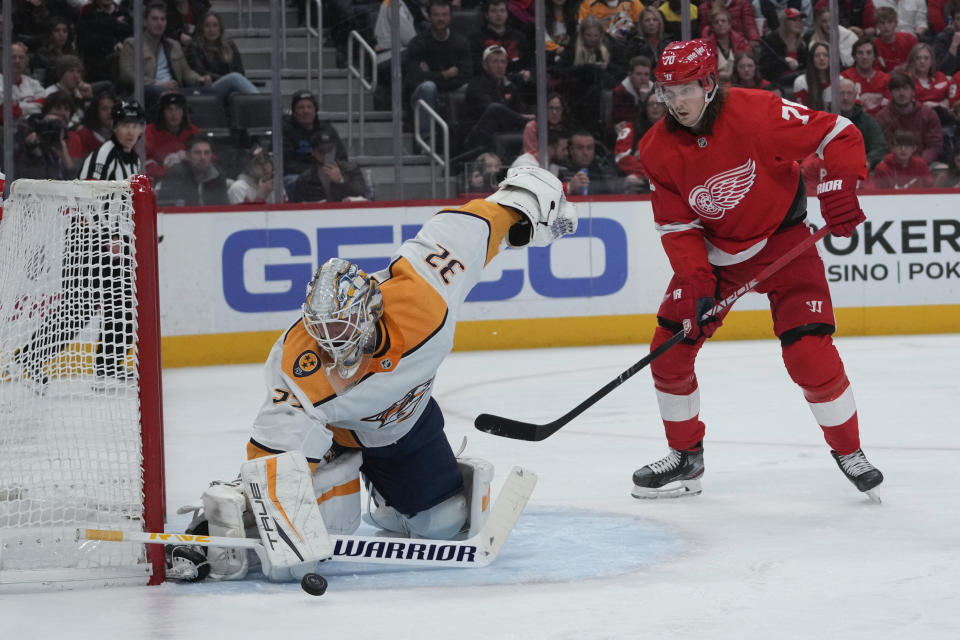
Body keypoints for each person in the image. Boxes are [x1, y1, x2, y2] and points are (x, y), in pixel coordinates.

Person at [179, 167, 577, 581]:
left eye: (344, 332)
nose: (336, 347)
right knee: (324, 529)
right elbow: (273, 451)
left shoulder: (424, 298)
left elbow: (484, 221)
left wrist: (538, 208)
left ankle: (390, 497)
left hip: (407, 424)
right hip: (335, 439)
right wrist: (284, 538)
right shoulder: (300, 365)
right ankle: (222, 525)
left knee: (444, 522)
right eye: (325, 335)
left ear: (371, 311)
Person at [631, 40, 883, 500]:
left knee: (808, 353)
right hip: (714, 256)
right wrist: (698, 284)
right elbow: (678, 226)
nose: (675, 102)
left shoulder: (759, 113)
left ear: (708, 83)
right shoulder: (656, 149)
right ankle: (686, 455)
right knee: (669, 352)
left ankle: (850, 451)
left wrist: (839, 185)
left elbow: (839, 131)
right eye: (667, 91)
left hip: (785, 243)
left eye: (685, 89)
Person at [405, 0, 473, 137]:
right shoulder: (418, 43)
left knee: (472, 87)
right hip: (423, 94)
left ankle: (466, 136)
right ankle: (426, 139)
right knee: (428, 87)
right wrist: (444, 75)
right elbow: (413, 78)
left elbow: (466, 75)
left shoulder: (461, 42)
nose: (441, 19)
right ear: (429, 17)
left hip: (453, 87)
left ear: (450, 16)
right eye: (436, 15)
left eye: (444, 15)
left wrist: (431, 75)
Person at [458, 45, 533, 153]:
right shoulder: (475, 85)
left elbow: (521, 109)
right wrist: (522, 118)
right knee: (495, 109)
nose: (499, 66)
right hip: (475, 138)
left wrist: (524, 117)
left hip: (503, 133)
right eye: (495, 62)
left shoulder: (509, 86)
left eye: (503, 62)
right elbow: (492, 111)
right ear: (485, 65)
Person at [281, 90, 349, 194]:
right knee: (296, 181)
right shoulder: (285, 130)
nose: (306, 111)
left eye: (309, 107)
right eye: (301, 107)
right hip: (298, 175)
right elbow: (286, 164)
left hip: (326, 172)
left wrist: (333, 171)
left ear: (315, 110)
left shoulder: (327, 129)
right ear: (294, 111)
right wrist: (314, 173)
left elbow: (342, 157)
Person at [184, 11, 259, 98]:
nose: (211, 30)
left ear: (220, 28)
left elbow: (240, 72)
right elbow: (201, 72)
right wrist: (227, 79)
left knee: (236, 82)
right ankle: (262, 102)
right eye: (207, 26)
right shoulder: (194, 47)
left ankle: (260, 101)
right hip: (208, 87)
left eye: (215, 25)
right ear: (201, 29)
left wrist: (230, 80)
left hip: (231, 84)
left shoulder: (230, 45)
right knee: (234, 78)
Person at [875, 72, 943, 164]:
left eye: (905, 89)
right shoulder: (882, 117)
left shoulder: (928, 114)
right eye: (897, 89)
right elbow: (881, 147)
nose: (901, 93)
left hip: (923, 164)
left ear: (913, 92)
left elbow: (935, 145)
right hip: (893, 166)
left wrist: (919, 163)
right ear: (890, 93)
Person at [292, 131, 369, 203]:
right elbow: (297, 205)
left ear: (335, 149)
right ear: (313, 152)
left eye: (330, 150)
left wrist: (340, 181)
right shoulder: (305, 178)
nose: (326, 154)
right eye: (321, 151)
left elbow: (361, 194)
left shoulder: (351, 169)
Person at [79, 99, 146, 180]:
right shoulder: (104, 156)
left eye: (135, 126)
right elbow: (88, 190)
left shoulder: (135, 160)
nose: (130, 132)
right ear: (114, 127)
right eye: (125, 126)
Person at [157, 134, 230, 205]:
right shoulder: (175, 174)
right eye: (197, 153)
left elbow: (223, 207)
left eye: (207, 153)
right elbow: (167, 208)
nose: (203, 157)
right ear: (187, 156)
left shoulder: (217, 174)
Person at [144, 91, 201, 179]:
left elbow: (208, 156)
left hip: (190, 180)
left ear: (184, 112)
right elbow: (145, 160)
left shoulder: (193, 131)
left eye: (178, 108)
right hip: (160, 181)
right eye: (169, 109)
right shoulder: (149, 131)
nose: (174, 113)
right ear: (162, 112)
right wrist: (166, 173)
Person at [758, 8, 809, 92]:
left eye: (800, 20)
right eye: (794, 20)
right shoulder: (772, 40)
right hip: (777, 83)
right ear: (784, 22)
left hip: (800, 81)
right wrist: (785, 61)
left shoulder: (804, 41)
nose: (799, 23)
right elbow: (765, 68)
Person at [840, 37, 890, 115]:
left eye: (869, 53)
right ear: (854, 56)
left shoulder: (886, 79)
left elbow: (889, 107)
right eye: (860, 53)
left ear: (875, 57)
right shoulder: (845, 77)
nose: (864, 57)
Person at [870, 128, 934, 188]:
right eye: (899, 145)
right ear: (892, 148)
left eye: (907, 145)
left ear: (914, 148)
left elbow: (930, 188)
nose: (903, 149)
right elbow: (879, 194)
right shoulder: (882, 168)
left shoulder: (921, 164)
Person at [0, 42, 46, 121]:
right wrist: (31, 106)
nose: (17, 61)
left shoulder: (34, 84)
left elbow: (44, 106)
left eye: (21, 57)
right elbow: (3, 113)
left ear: (26, 61)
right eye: (13, 57)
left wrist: (18, 107)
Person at [67, 89, 117, 161]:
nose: (110, 112)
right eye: (104, 109)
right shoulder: (83, 135)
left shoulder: (122, 135)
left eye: (113, 108)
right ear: (96, 111)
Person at [611, 55, 654, 125]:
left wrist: (646, 98)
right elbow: (623, 120)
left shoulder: (654, 90)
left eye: (646, 74)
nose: (643, 78)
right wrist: (643, 102)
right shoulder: (620, 92)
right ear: (630, 74)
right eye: (638, 74)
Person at [873, 6, 917, 72]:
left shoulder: (910, 39)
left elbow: (920, 61)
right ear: (877, 25)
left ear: (896, 23)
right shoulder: (873, 47)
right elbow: (876, 74)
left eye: (890, 22)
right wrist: (893, 73)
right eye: (882, 23)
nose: (886, 26)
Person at [793, 42, 832, 110]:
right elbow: (802, 112)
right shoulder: (801, 82)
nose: (822, 58)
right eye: (817, 55)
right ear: (812, 60)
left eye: (825, 55)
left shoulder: (840, 80)